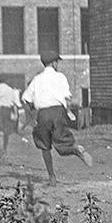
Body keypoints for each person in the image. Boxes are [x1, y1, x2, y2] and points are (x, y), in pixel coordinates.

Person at [21, 51, 93, 184]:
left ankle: (52, 177)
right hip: (58, 112)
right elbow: (67, 97)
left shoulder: (37, 79)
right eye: (57, 62)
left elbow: (25, 98)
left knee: (44, 146)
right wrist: (68, 111)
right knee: (61, 144)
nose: (57, 64)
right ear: (53, 63)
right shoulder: (60, 77)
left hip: (42, 113)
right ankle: (75, 149)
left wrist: (31, 114)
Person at [0, 73, 22, 155]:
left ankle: (1, 148)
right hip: (7, 110)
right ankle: (4, 148)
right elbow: (13, 102)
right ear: (6, 80)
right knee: (5, 129)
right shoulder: (10, 89)